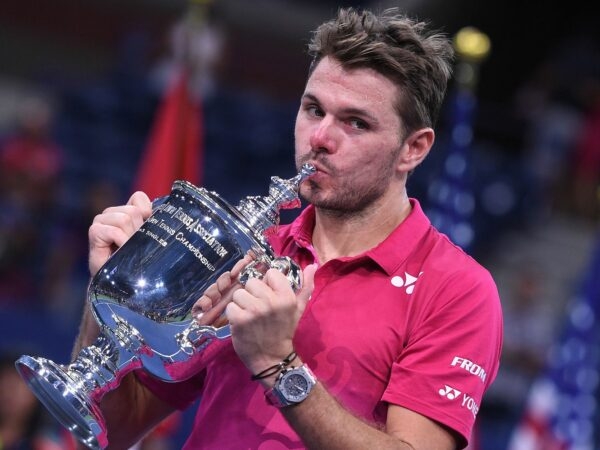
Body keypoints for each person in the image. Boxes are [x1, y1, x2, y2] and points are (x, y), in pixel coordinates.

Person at [75, 7, 502, 449]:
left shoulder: (457, 289)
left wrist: (278, 365)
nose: (321, 137)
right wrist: (107, 287)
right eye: (314, 109)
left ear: (413, 148)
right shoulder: (242, 252)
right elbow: (114, 429)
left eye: (356, 122)